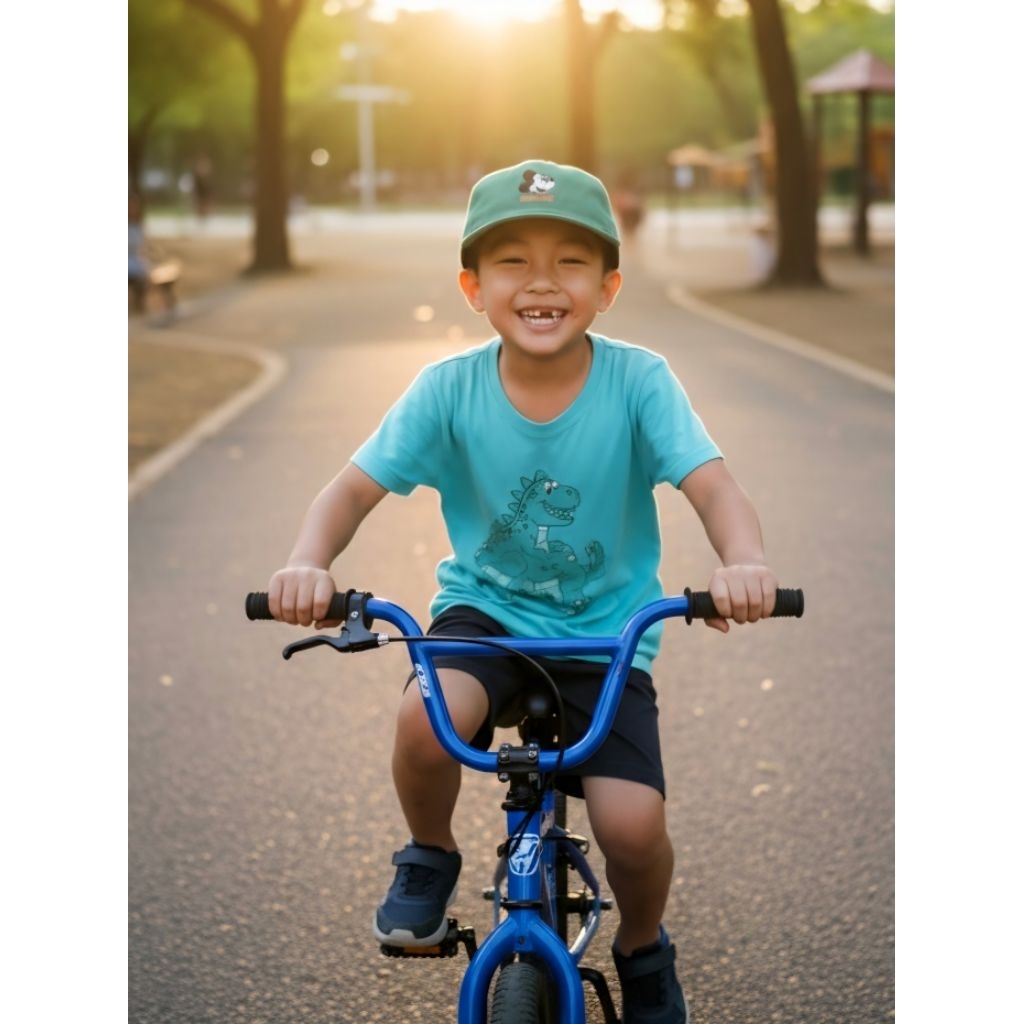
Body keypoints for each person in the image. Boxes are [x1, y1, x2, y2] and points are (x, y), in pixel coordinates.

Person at [267, 158, 779, 1024]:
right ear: (472, 286)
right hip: (488, 613)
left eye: (571, 261)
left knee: (631, 830)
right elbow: (348, 492)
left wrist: (743, 562)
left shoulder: (639, 381)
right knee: (422, 723)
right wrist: (307, 561)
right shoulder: (448, 390)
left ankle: (644, 948)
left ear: (609, 286)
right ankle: (430, 853)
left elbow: (715, 489)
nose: (542, 282)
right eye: (511, 261)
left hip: (606, 636)